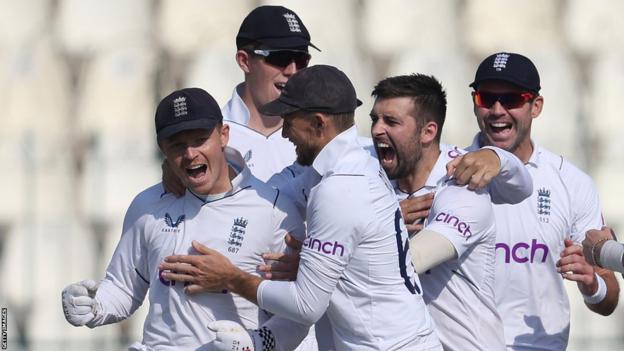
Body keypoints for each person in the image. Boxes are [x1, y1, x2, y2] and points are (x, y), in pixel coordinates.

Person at [159, 65, 442, 350]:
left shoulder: (340, 189)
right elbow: (265, 196)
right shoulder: (351, 163)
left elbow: (306, 306)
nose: (284, 134)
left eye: (289, 120)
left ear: (318, 123)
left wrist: (231, 278)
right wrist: (187, 167)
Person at [61, 88, 310, 350]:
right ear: (162, 149)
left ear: (223, 135)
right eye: (178, 145)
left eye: (200, 140)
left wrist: (255, 344)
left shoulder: (273, 208)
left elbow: (297, 311)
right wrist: (94, 305)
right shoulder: (148, 204)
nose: (190, 154)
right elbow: (123, 289)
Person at [464, 52, 620, 350]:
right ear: (475, 102)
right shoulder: (447, 174)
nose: (497, 110)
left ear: (536, 106)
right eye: (487, 98)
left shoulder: (572, 183)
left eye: (511, 99)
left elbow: (608, 296)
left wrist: (592, 285)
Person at [369, 73, 532, 350]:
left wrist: (498, 156)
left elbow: (410, 262)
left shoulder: (462, 187)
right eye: (374, 119)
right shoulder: (370, 174)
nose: (375, 130)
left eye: (391, 122)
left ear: (428, 132)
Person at [164, 5, 319, 195]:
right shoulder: (210, 136)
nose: (292, 71)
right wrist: (173, 166)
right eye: (281, 58)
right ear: (244, 61)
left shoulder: (321, 129)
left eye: (302, 59)